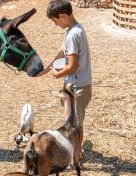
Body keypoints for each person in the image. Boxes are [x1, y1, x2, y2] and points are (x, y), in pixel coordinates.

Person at [39, 0, 92, 158]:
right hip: (78, 82)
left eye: (55, 21)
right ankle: (77, 151)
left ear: (62, 16)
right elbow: (62, 51)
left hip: (78, 85)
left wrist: (57, 74)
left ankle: (77, 154)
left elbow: (72, 66)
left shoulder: (73, 35)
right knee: (72, 120)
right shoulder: (74, 29)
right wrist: (46, 69)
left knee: (76, 125)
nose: (55, 24)